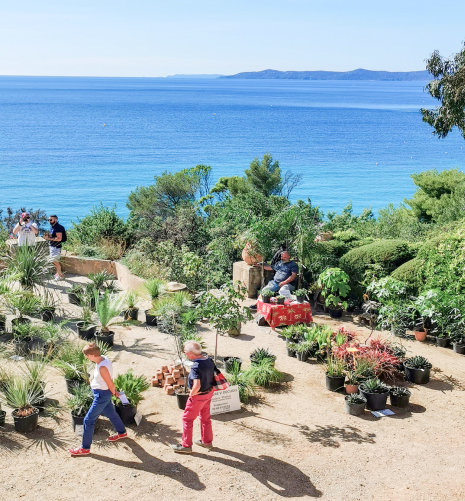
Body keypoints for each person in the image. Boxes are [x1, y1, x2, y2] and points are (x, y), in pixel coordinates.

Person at [68, 342, 127, 457]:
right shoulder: (104, 359)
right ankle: (122, 432)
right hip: (102, 394)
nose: (86, 358)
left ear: (92, 355)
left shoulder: (102, 367)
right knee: (112, 414)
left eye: (87, 356)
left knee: (88, 420)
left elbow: (109, 382)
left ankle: (84, 448)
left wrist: (115, 392)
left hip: (101, 396)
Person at [171, 341, 215, 453]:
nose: (185, 353)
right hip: (209, 393)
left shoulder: (196, 366)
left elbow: (197, 385)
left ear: (190, 353)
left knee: (187, 419)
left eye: (185, 352)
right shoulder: (208, 360)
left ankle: (186, 446)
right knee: (205, 418)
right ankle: (207, 442)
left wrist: (191, 394)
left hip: (198, 397)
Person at [42, 214, 65, 280]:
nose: (49, 221)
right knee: (54, 261)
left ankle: (60, 275)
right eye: (49, 220)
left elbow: (59, 238)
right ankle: (57, 273)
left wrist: (49, 238)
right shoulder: (53, 226)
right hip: (52, 246)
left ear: (55, 219)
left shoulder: (58, 227)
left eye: (51, 220)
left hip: (56, 247)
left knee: (55, 261)